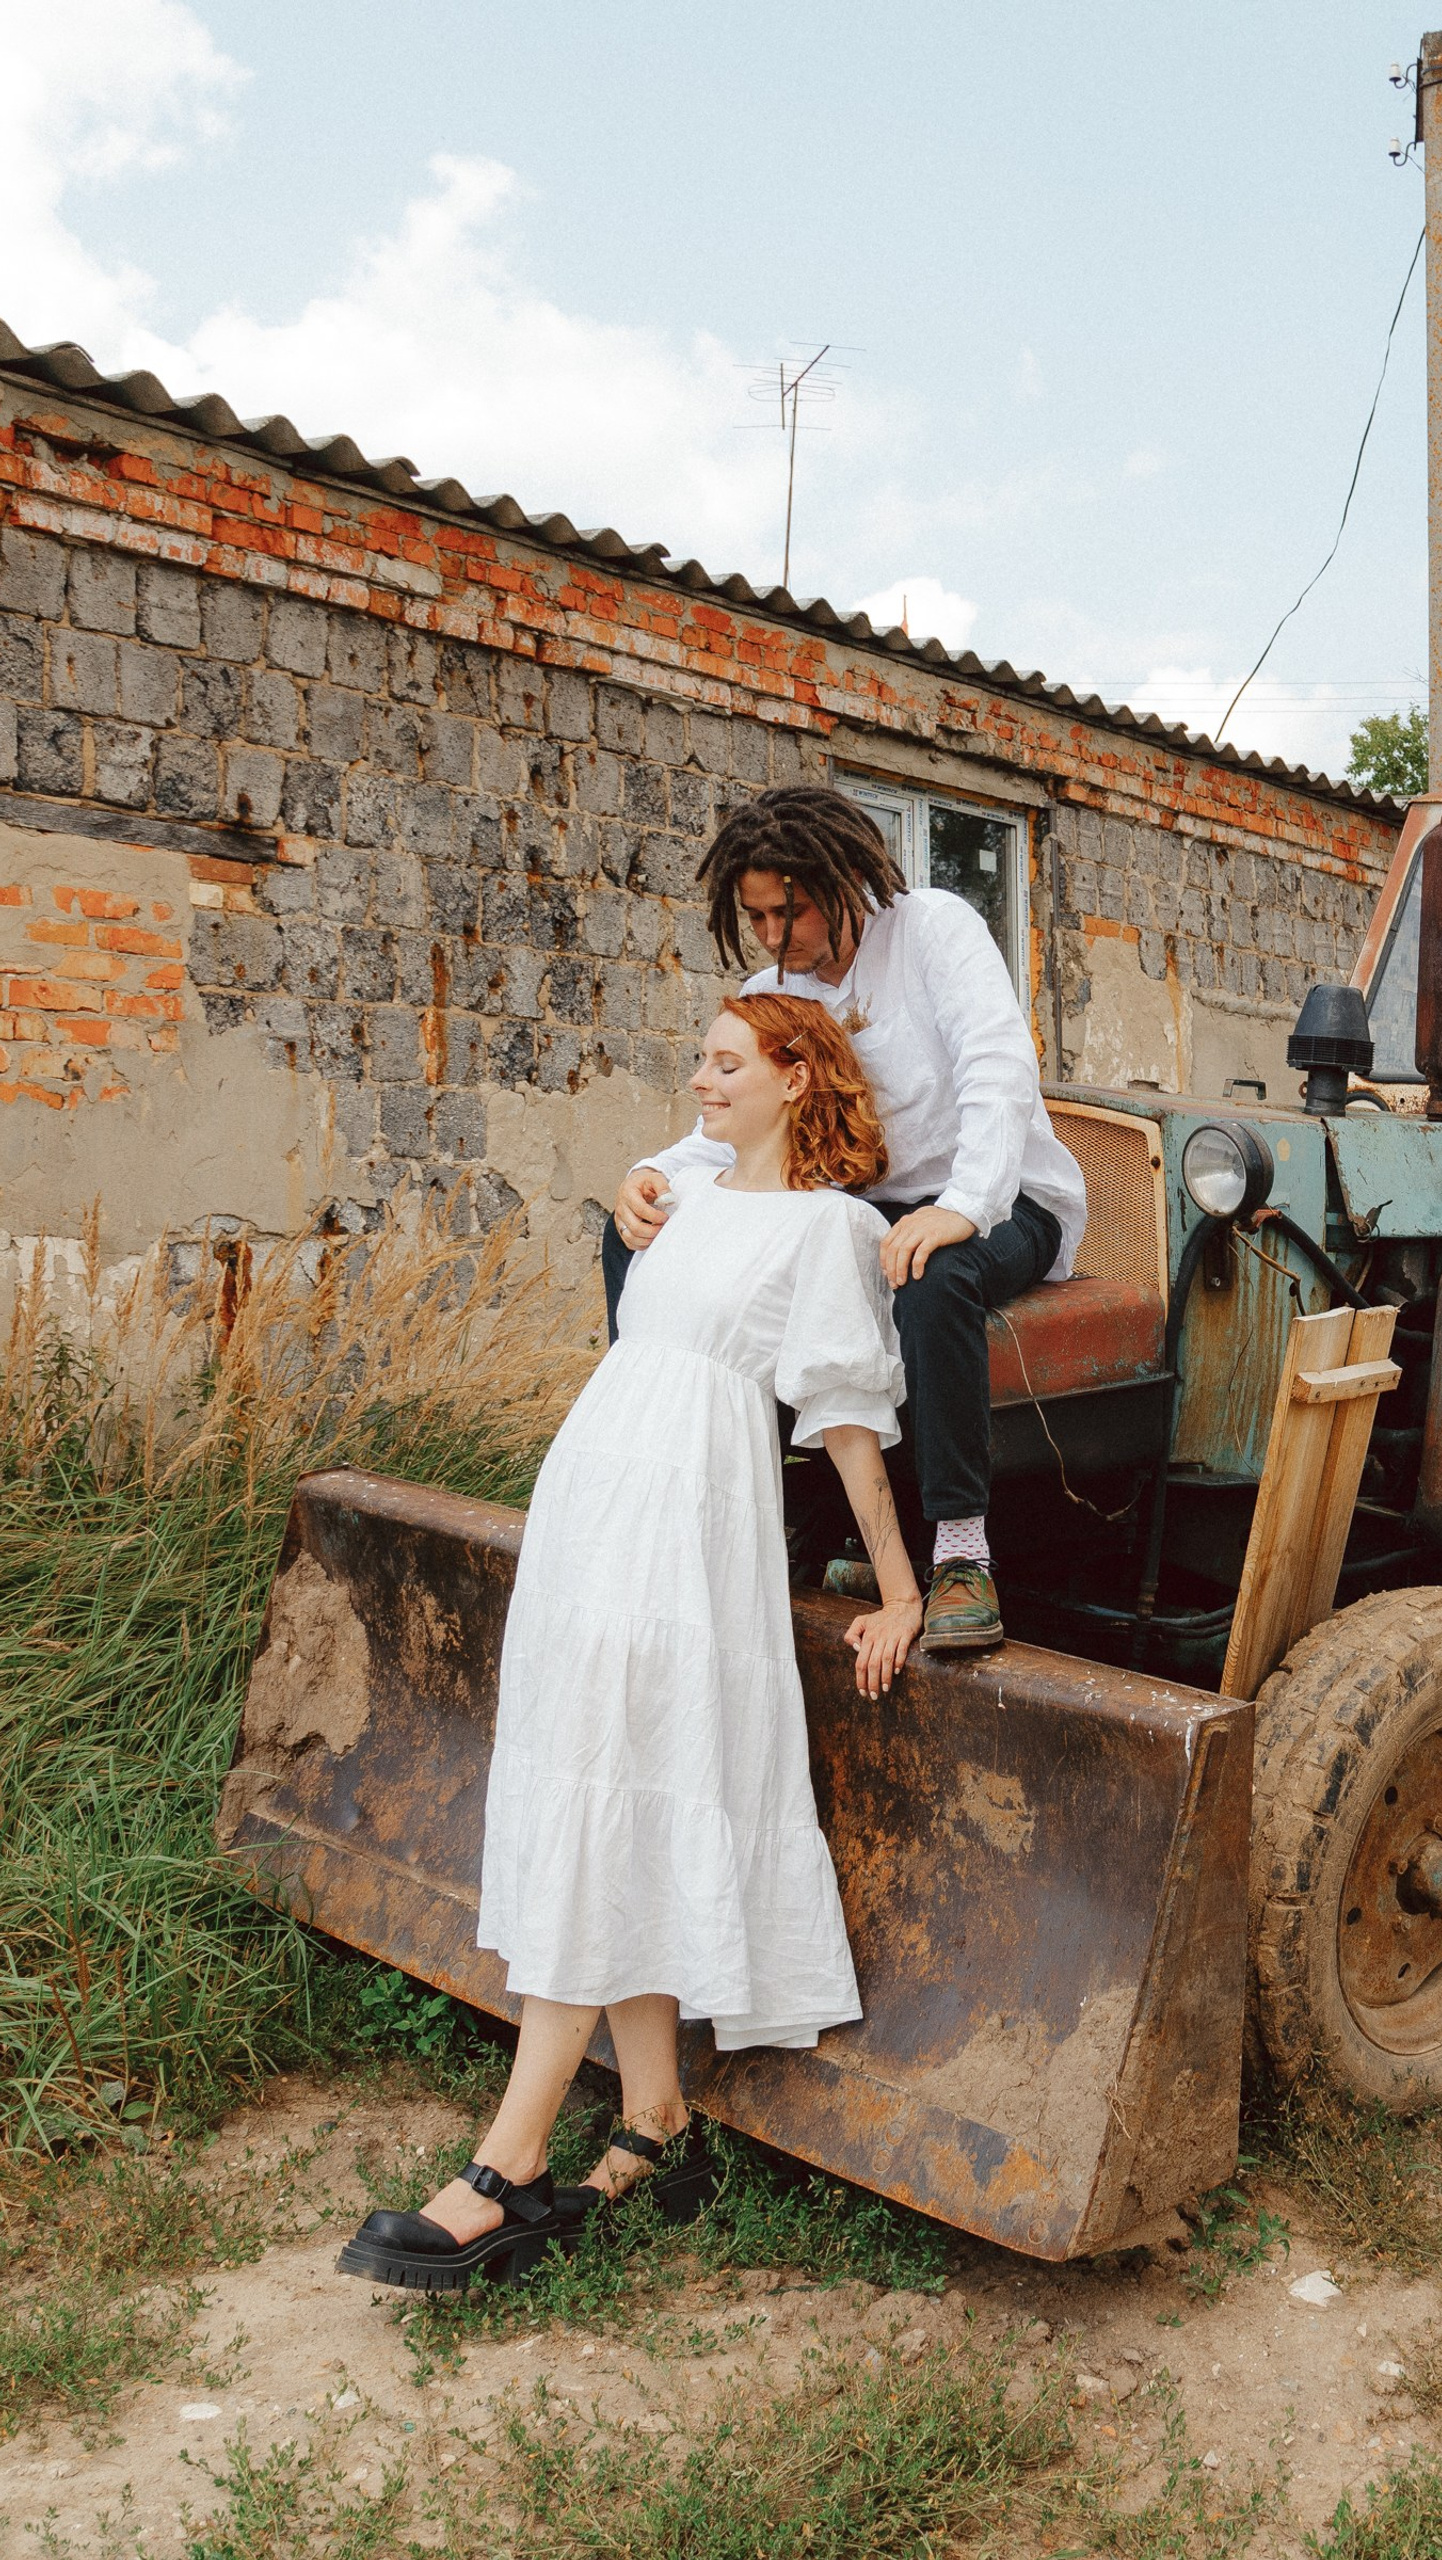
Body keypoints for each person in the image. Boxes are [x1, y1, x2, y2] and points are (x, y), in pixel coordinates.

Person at [338, 995, 921, 2293]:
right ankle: (657, 2122)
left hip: (688, 1526)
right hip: (595, 1499)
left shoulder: (834, 1229)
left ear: (795, 1076)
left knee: (617, 1792)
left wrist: (903, 1588)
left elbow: (844, 1423)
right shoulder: (684, 1200)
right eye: (700, 1059)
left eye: (724, 1063)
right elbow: (647, 1308)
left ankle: (512, 2160)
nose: (700, 1080)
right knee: (601, 1785)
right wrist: (652, 1182)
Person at [612, 786, 1086, 1656]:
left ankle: (959, 1555)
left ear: (840, 880)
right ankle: (712, 1489)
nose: (767, 936)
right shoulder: (774, 989)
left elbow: (997, 1068)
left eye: (782, 912)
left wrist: (961, 1209)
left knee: (933, 1275)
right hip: (864, 1211)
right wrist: (652, 1175)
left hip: (1004, 1194)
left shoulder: (934, 930)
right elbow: (739, 1119)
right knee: (654, 1233)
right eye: (751, 916)